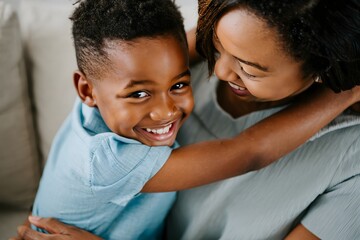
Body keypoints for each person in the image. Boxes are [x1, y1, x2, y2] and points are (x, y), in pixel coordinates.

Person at [11, 0, 360, 239]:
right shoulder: (108, 153)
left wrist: (349, 86)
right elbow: (248, 152)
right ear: (86, 90)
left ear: (323, 68)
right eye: (216, 46)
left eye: (248, 68)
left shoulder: (351, 162)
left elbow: (249, 151)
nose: (218, 71)